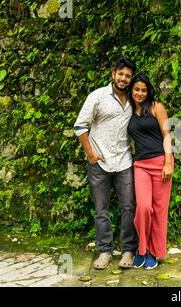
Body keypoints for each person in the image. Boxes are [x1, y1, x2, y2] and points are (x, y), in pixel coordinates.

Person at [73, 57, 138, 269]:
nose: (124, 78)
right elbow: (80, 126)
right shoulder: (98, 96)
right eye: (121, 74)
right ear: (113, 74)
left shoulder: (133, 99)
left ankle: (128, 250)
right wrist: (90, 154)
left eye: (128, 76)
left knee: (129, 207)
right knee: (101, 209)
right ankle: (105, 251)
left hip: (124, 161)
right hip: (99, 161)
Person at [127, 74, 174, 269]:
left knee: (160, 211)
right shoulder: (127, 110)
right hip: (141, 166)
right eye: (136, 89)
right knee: (144, 207)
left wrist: (169, 162)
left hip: (161, 163)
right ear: (131, 90)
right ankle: (142, 249)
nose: (139, 93)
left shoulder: (157, 107)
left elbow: (167, 135)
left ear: (148, 91)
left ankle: (154, 253)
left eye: (143, 90)